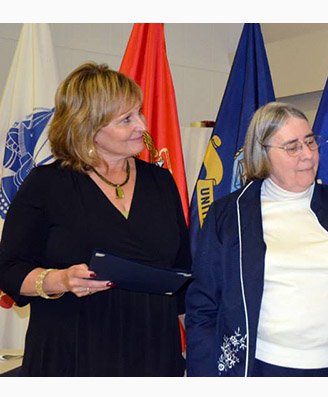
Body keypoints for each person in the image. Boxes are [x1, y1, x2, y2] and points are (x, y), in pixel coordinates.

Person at [0, 62, 190, 376]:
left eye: (139, 113)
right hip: (73, 354)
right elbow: (8, 269)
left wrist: (196, 346)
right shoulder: (47, 184)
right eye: (126, 119)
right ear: (89, 128)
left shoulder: (160, 181)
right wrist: (59, 280)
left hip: (155, 354)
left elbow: (182, 271)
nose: (142, 125)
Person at [185, 102, 328, 377]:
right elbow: (203, 307)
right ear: (263, 154)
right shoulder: (229, 216)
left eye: (310, 142)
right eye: (292, 147)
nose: (307, 155)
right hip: (257, 369)